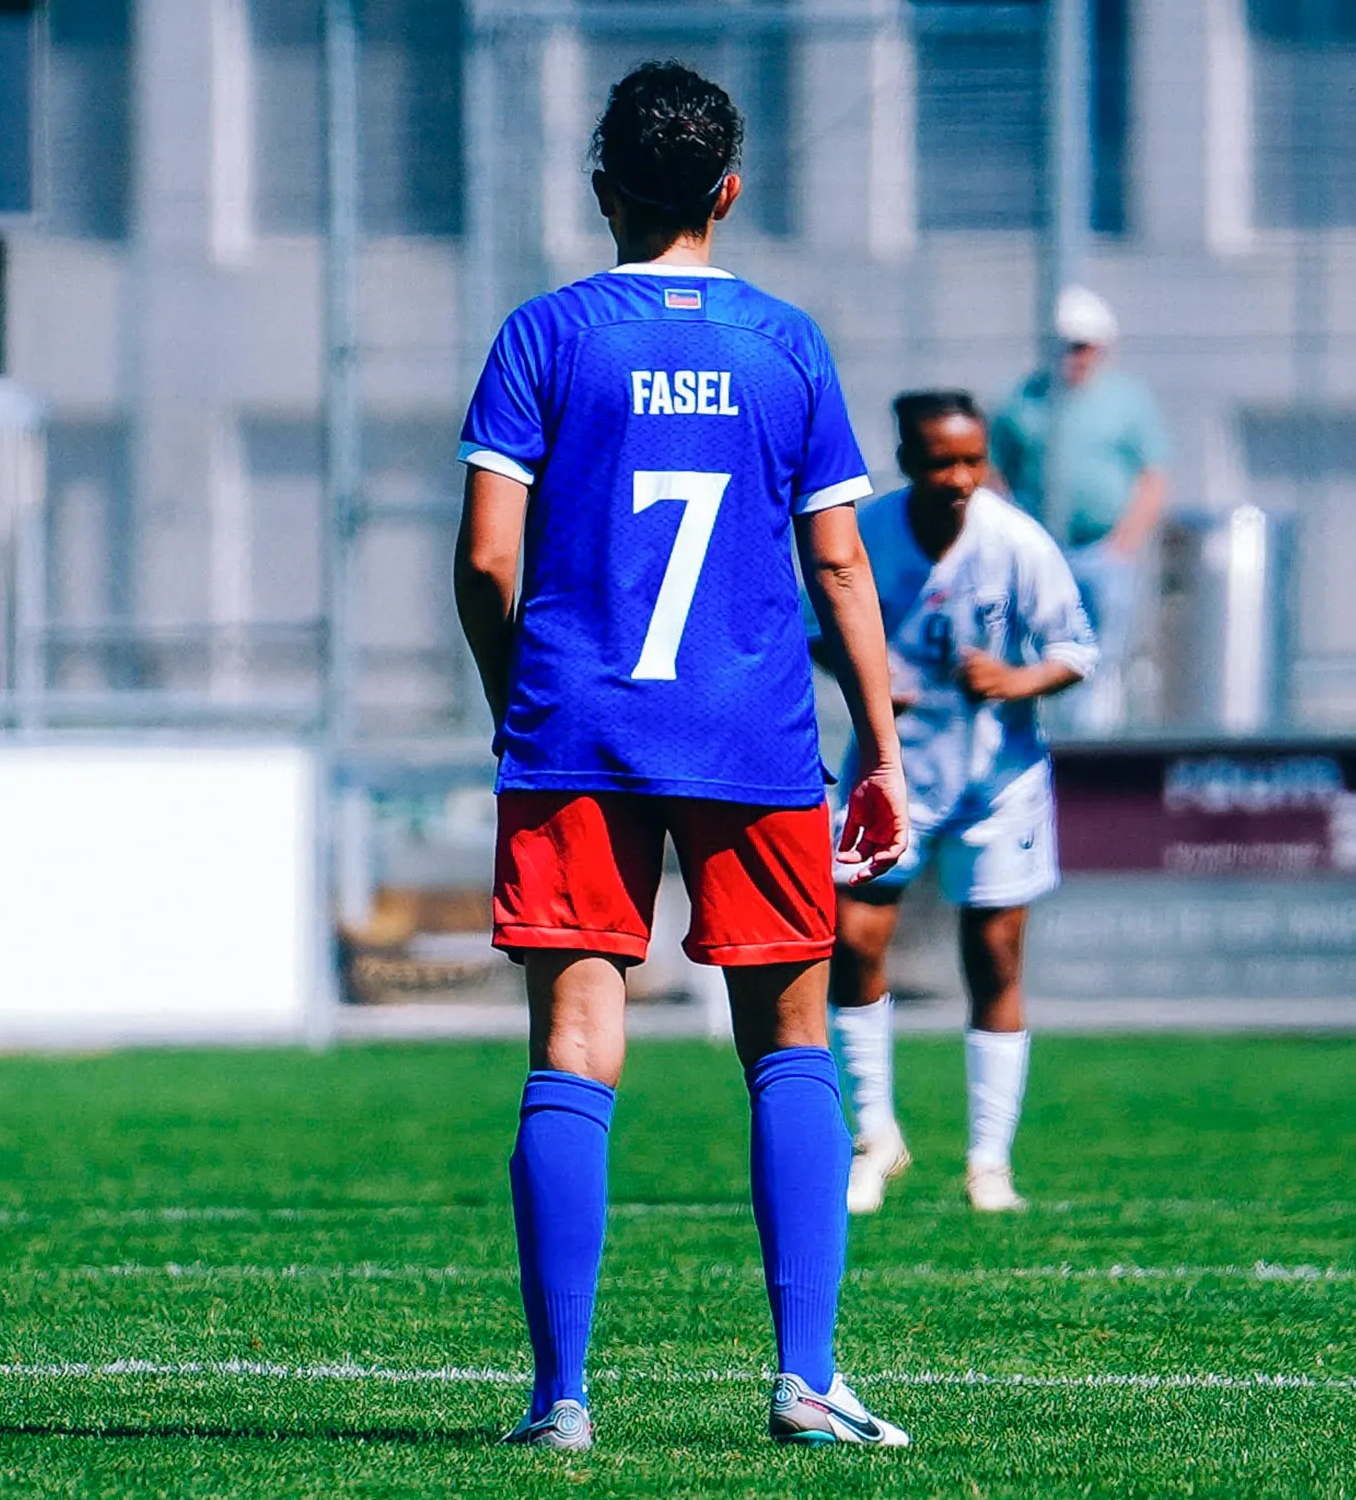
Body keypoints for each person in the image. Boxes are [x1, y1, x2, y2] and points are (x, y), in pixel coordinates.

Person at [453, 61, 912, 1455]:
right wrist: (881, 745)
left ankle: (560, 1401)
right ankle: (806, 1379)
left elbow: (486, 561)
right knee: (789, 1039)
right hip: (753, 737)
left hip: (578, 733)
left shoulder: (545, 335)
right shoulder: (786, 345)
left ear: (604, 190)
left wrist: (519, 701)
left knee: (573, 1047)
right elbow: (840, 564)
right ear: (730, 189)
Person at [823, 391, 1097, 1216]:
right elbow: (814, 626)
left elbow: (1076, 649)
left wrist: (1018, 679)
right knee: (852, 938)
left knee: (995, 957)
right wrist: (868, 676)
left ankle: (989, 1161)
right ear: (907, 461)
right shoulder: (864, 533)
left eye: (972, 460)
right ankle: (875, 1137)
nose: (959, 478)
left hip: (997, 781)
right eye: (941, 462)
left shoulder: (1016, 541)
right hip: (892, 772)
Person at [989, 286, 1170, 733]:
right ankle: (1043, 734)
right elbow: (993, 471)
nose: (1076, 356)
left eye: (1084, 346)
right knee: (1035, 645)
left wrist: (1124, 544)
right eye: (1068, 346)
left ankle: (1092, 740)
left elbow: (1152, 476)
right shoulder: (1023, 401)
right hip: (1041, 551)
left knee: (1099, 653)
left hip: (1102, 552)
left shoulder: (1126, 401)